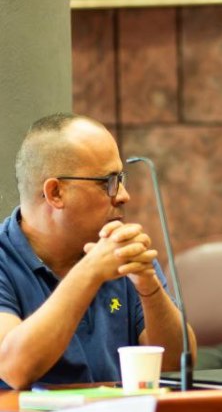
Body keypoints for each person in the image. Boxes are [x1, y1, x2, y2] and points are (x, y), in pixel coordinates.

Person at [0, 113, 195, 390]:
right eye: (108, 182)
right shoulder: (5, 259)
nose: (124, 195)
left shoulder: (119, 251)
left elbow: (175, 366)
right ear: (55, 193)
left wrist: (149, 288)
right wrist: (89, 271)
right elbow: (15, 369)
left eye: (121, 178)